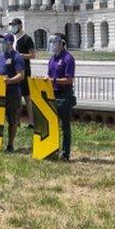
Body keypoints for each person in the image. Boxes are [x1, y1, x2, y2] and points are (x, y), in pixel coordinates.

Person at [0, 32, 25, 152]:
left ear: (10, 43)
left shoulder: (17, 57)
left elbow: (21, 75)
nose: (1, 43)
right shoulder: (0, 56)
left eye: (3, 41)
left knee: (12, 119)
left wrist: (9, 81)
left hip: (12, 92)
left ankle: (10, 145)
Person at [47, 32, 76, 161]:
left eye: (55, 42)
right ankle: (52, 149)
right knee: (52, 124)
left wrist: (54, 81)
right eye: (51, 42)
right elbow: (49, 76)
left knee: (65, 125)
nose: (53, 45)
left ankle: (65, 153)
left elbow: (69, 80)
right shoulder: (52, 59)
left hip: (64, 94)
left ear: (62, 43)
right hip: (53, 93)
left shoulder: (68, 58)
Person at [9, 18, 36, 127]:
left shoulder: (27, 39)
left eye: (15, 25)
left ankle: (31, 121)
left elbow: (32, 55)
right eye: (12, 25)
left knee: (27, 97)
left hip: (24, 71)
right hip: (15, 71)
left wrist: (21, 55)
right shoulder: (13, 39)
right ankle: (17, 121)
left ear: (20, 25)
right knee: (17, 98)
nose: (13, 27)